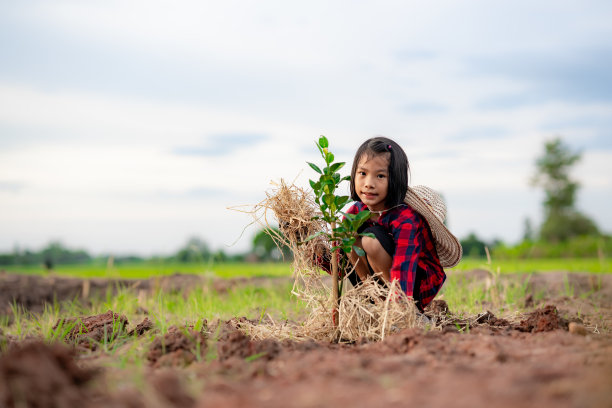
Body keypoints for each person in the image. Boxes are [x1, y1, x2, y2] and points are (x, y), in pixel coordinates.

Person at [341, 136, 462, 311]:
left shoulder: (405, 218)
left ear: (395, 180)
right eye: (363, 173)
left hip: (414, 283)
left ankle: (400, 310)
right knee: (349, 238)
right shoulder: (354, 213)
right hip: (378, 284)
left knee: (370, 241)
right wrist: (312, 249)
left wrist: (401, 304)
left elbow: (404, 266)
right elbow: (341, 266)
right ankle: (378, 305)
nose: (369, 184)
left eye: (380, 176)